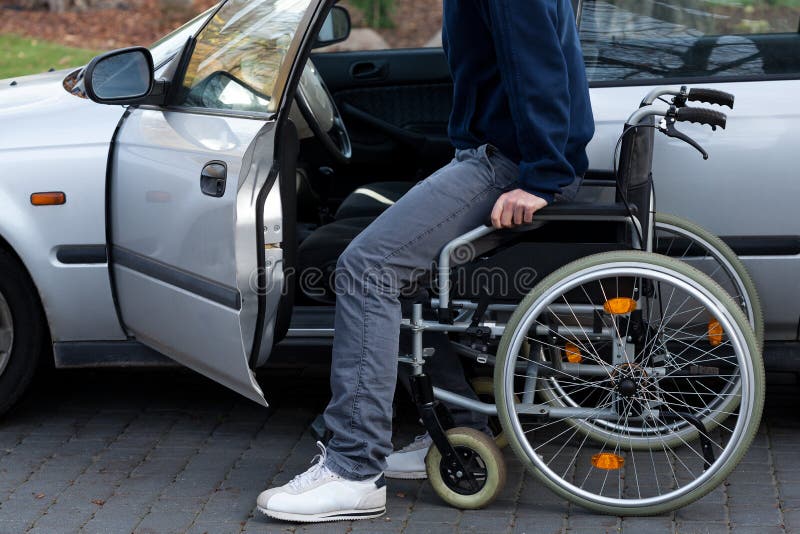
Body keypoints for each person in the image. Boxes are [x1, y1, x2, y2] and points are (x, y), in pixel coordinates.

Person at [257, 0, 595, 522]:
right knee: (398, 272)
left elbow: (538, 67)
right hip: (493, 155)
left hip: (506, 165)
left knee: (366, 269)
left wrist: (542, 176)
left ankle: (353, 469)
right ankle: (458, 430)